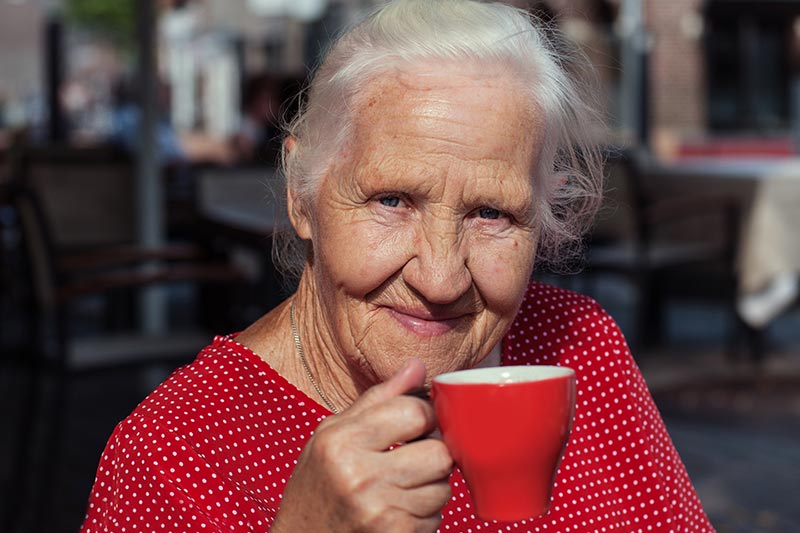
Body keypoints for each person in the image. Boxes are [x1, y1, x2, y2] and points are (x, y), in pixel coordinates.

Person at [81, 1, 715, 531]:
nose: (440, 279)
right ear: (303, 193)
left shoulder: (578, 351)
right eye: (392, 201)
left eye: (492, 213)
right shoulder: (174, 455)